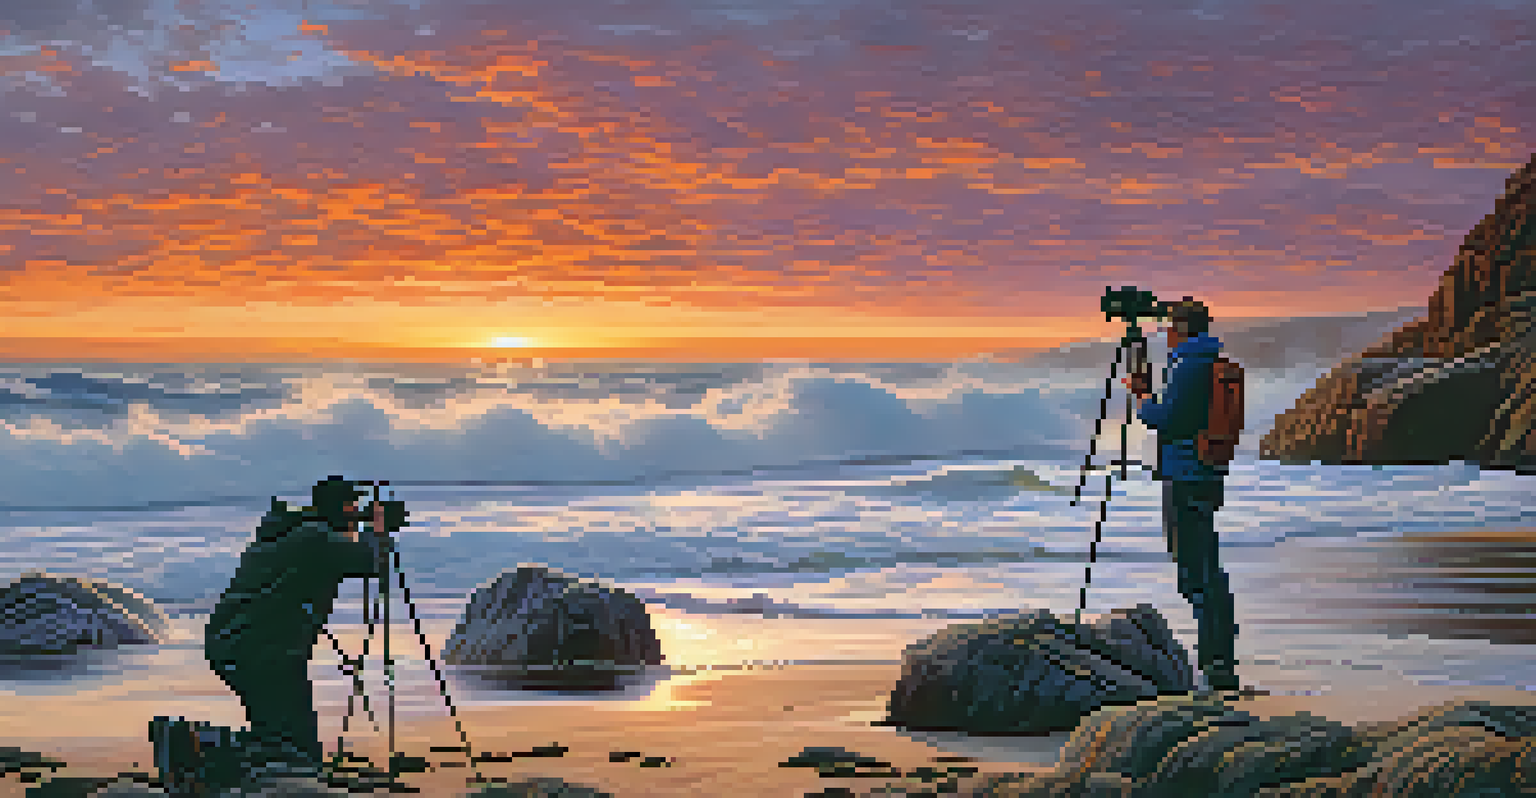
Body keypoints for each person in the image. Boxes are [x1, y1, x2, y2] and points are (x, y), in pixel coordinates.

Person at [203, 475, 398, 779]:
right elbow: (371, 561)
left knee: (278, 731)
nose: (355, 515)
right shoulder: (313, 538)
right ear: (337, 510)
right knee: (296, 744)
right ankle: (206, 752)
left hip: (241, 644)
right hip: (258, 648)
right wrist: (379, 529)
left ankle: (219, 761)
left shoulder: (293, 533)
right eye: (352, 508)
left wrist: (371, 528)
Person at [1125, 298, 1240, 693]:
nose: (1165, 333)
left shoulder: (1189, 363)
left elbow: (1168, 421)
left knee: (1195, 572)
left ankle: (1217, 666)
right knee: (1206, 567)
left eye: (1169, 326)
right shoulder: (1205, 357)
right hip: (1204, 472)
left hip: (1186, 474)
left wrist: (1142, 398)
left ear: (1181, 328)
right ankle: (1219, 661)